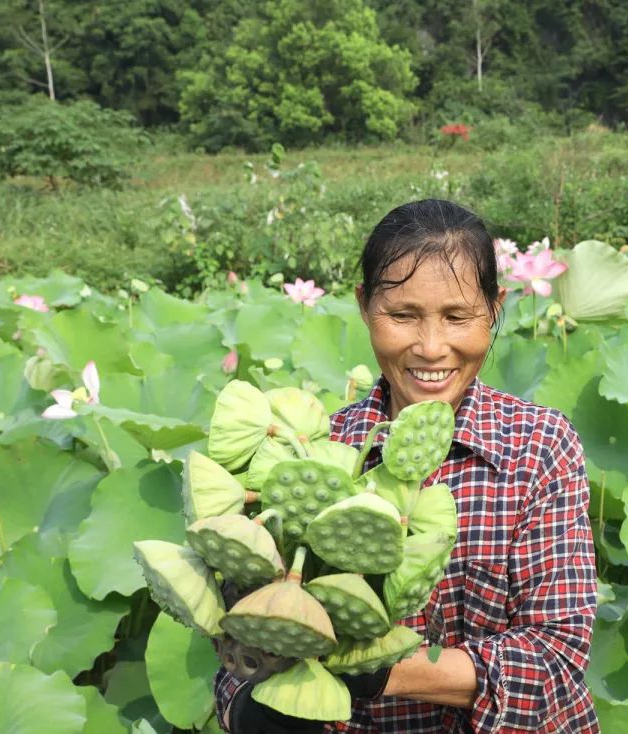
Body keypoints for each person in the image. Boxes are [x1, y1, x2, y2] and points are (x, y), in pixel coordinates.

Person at [215, 199, 600, 733]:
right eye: (402, 315)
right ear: (364, 307)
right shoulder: (314, 455)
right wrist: (251, 705)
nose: (431, 347)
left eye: (458, 316)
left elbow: (555, 659)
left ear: (495, 309)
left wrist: (373, 673)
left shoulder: (540, 446)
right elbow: (242, 644)